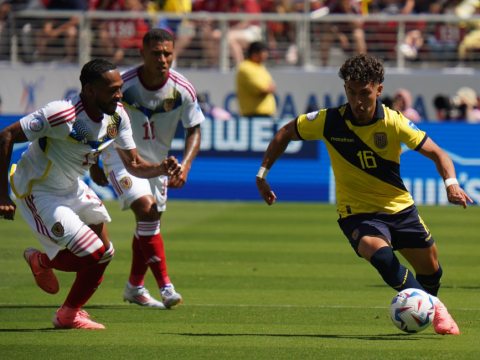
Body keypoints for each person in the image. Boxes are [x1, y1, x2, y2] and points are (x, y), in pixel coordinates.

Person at [256, 54, 473, 335]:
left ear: (378, 90)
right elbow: (285, 132)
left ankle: (428, 303)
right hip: (356, 213)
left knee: (432, 272)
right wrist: (262, 175)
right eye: (351, 92)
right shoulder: (328, 121)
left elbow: (438, 153)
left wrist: (451, 184)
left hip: (401, 209)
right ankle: (438, 309)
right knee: (382, 258)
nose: (357, 101)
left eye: (365, 93)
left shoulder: (394, 122)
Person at [0, 58, 182, 329]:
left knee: (105, 252)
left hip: (72, 187)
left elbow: (133, 164)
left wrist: (160, 169)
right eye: (112, 89)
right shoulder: (62, 114)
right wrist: (2, 195)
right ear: (89, 90)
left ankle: (69, 314)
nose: (119, 94)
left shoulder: (117, 115)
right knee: (92, 252)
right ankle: (40, 260)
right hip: (39, 190)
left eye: (120, 87)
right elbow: (6, 136)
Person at [90, 29, 204, 309]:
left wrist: (186, 166)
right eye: (156, 53)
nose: (163, 59)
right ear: (142, 54)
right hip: (121, 158)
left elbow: (194, 129)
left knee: (149, 224)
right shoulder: (123, 86)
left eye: (168, 53)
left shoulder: (183, 89)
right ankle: (166, 287)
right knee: (146, 210)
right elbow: (96, 119)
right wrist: (94, 160)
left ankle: (134, 287)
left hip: (158, 165)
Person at [236, 41, 276, 117]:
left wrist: (270, 87)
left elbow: (272, 86)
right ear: (255, 54)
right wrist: (269, 88)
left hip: (264, 115)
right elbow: (263, 89)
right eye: (264, 52)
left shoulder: (260, 67)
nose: (266, 55)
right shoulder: (245, 68)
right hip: (253, 116)